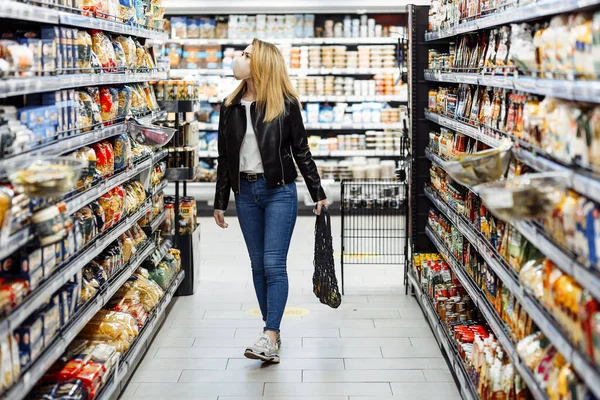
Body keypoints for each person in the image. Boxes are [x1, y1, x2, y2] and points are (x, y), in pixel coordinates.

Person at [213, 38, 329, 363]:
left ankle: (270, 335)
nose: (239, 58)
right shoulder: (230, 106)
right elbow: (225, 158)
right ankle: (271, 332)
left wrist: (317, 191)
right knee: (257, 265)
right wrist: (220, 201)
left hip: (279, 190)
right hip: (245, 194)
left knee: (273, 264)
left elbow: (301, 150)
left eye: (246, 55)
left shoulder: (286, 103)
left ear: (261, 63)